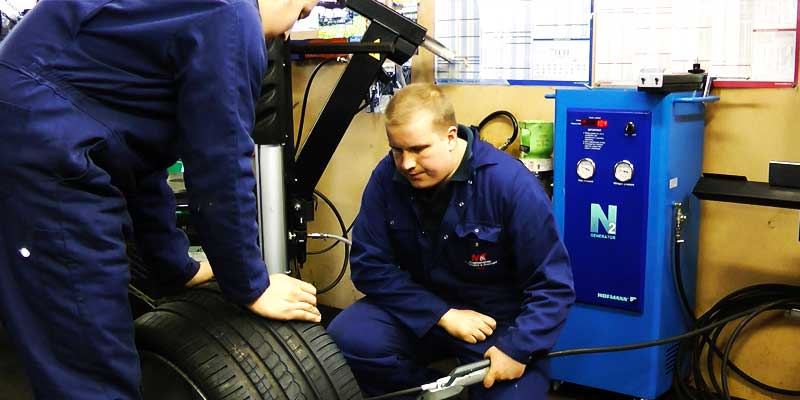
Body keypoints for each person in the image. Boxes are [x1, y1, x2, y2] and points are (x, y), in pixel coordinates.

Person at [0, 0, 319, 399]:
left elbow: (138, 155)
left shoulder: (191, 13)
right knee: (89, 362)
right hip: (41, 152)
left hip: (37, 128)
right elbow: (219, 162)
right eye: (302, 13)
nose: (288, 33)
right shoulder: (231, 15)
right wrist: (252, 286)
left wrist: (175, 266)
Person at [328, 83, 575, 399]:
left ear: (450, 136)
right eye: (396, 149)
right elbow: (368, 265)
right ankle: (432, 392)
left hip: (494, 323)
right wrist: (442, 314)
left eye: (418, 150)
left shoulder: (510, 185)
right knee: (348, 338)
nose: (406, 164)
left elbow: (552, 287)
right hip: (420, 312)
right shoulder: (387, 177)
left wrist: (517, 349)